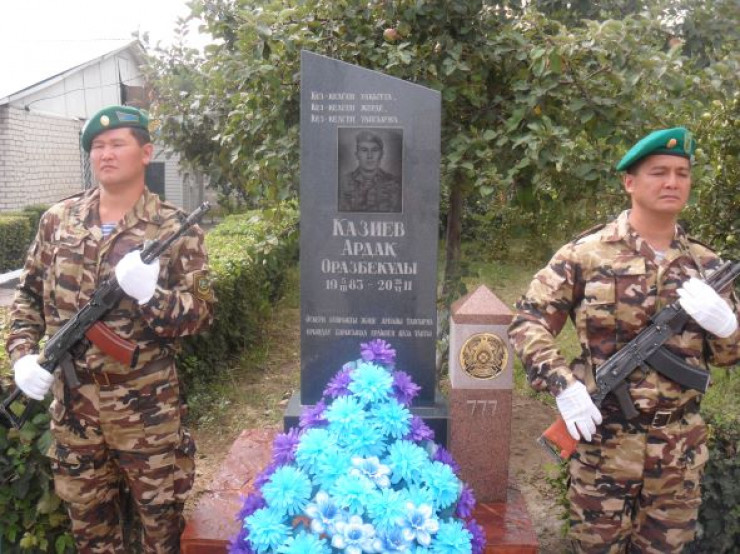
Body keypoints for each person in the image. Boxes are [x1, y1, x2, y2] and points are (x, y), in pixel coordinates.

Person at [508, 127, 740, 553]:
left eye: (682, 173)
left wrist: (729, 328)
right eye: (659, 172)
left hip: (678, 454)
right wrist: (564, 386)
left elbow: (729, 357)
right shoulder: (585, 255)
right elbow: (527, 322)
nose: (672, 182)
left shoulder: (707, 265)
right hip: (603, 448)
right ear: (629, 182)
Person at [7, 105, 214, 553]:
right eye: (97, 146)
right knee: (91, 533)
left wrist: (151, 296)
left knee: (161, 528)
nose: (106, 153)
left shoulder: (175, 227)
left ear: (146, 152)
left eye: (118, 143)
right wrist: (22, 356)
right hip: (75, 412)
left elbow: (200, 315)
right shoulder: (57, 221)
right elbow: (26, 298)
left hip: (148, 411)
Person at [338, 130, 402, 212]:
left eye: (374, 150)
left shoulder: (395, 183)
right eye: (364, 150)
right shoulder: (343, 182)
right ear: (357, 155)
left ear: (381, 154)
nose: (369, 156)